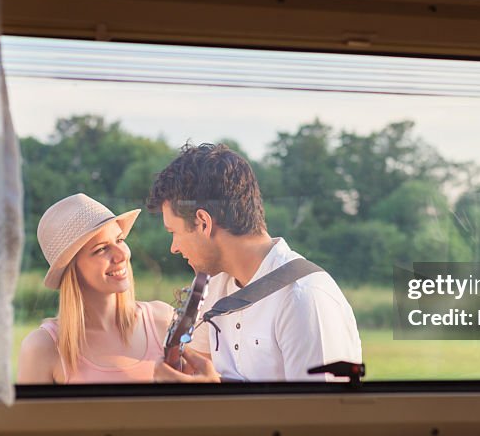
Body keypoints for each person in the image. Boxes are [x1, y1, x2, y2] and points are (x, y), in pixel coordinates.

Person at [148, 143, 362, 382]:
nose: (173, 247)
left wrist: (211, 400)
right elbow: (199, 368)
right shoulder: (213, 286)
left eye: (173, 232)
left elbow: (323, 415)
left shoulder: (304, 298)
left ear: (203, 223)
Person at [17, 193, 175, 384]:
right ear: (72, 270)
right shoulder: (43, 348)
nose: (121, 255)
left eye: (119, 240)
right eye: (101, 249)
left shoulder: (164, 321)